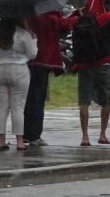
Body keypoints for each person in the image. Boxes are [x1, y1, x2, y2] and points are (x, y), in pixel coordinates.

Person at [72, 0, 110, 146]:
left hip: (83, 65)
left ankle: (85, 137)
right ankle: (102, 134)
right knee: (106, 101)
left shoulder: (78, 20)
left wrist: (76, 12)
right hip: (102, 62)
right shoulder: (102, 18)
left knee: (84, 101)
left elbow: (65, 22)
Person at [23, 10, 79, 146]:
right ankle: (35, 136)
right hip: (43, 62)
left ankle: (24, 134)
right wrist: (74, 16)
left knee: (27, 100)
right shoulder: (50, 17)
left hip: (26, 62)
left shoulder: (26, 17)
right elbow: (65, 26)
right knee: (38, 99)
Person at [0, 18, 38, 151]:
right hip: (19, 71)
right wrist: (34, 40)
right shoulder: (23, 34)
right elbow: (32, 54)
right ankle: (19, 142)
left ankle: (0, 141)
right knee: (18, 108)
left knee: (1, 107)